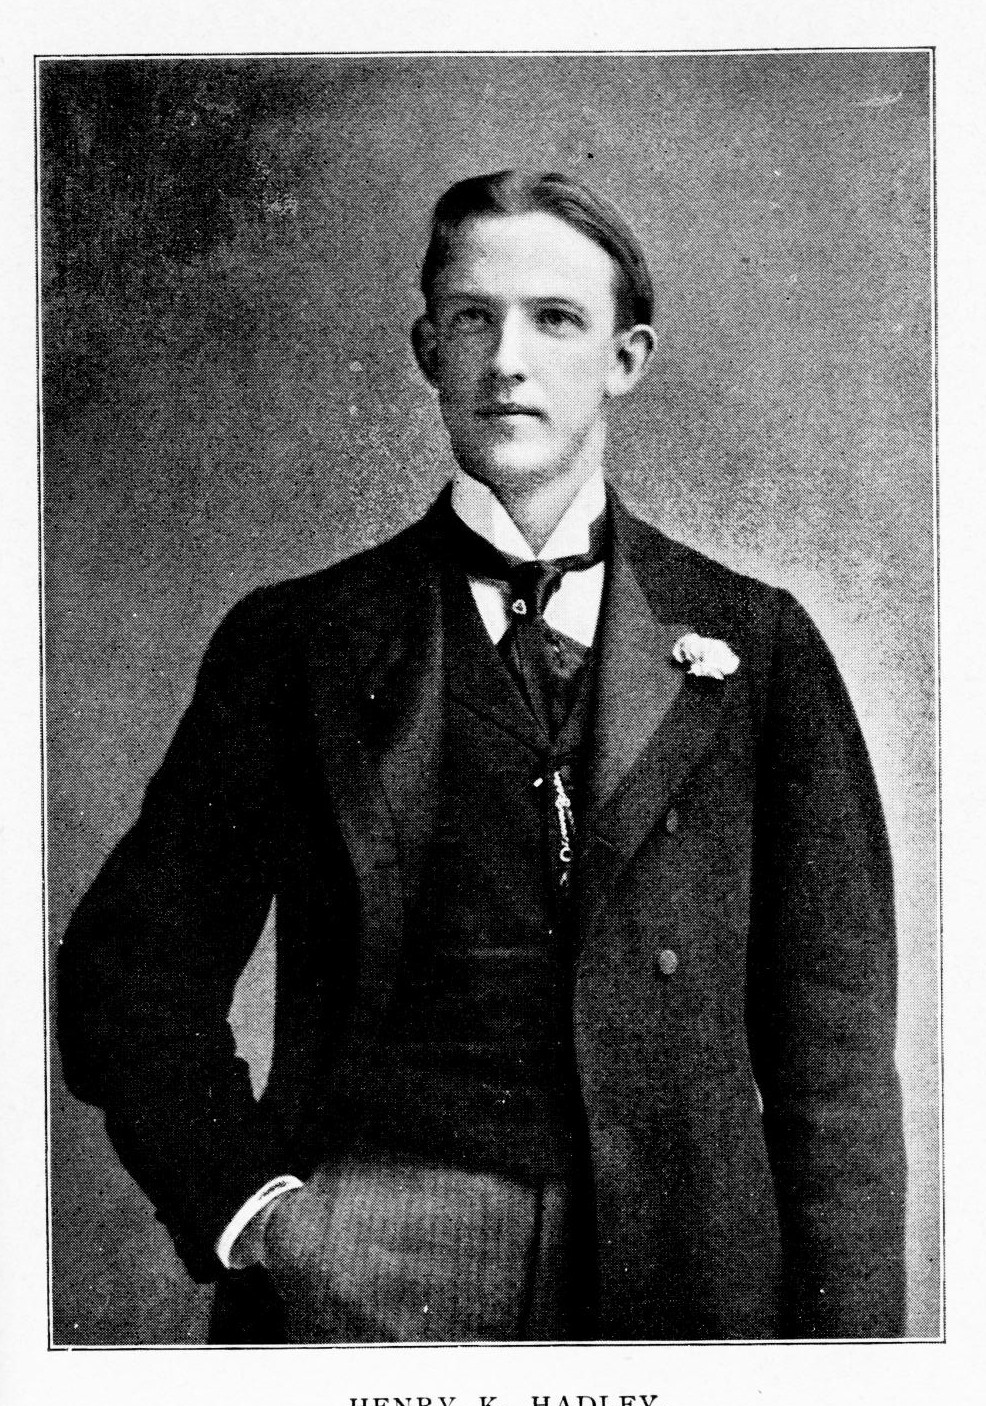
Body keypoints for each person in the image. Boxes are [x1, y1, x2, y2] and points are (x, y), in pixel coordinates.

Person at [57, 169, 906, 1343]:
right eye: (472, 318)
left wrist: (847, 1371)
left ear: (624, 358)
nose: (507, 359)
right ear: (427, 349)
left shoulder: (755, 644)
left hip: (681, 1267)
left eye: (554, 319)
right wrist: (260, 1214)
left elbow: (835, 1065)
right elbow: (128, 969)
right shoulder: (299, 641)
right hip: (375, 1266)